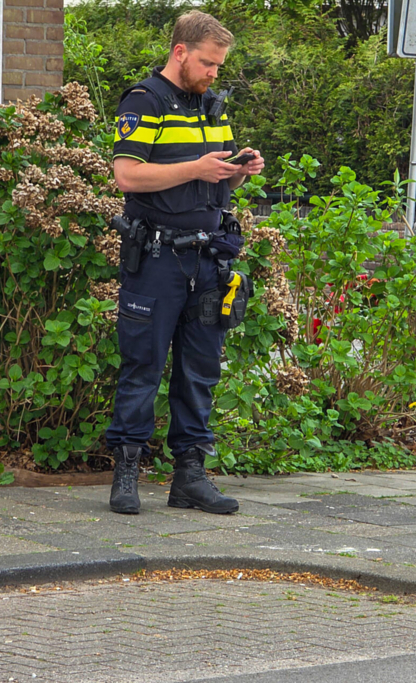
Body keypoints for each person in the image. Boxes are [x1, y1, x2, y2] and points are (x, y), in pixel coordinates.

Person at [105, 10, 264, 516]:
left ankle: (189, 478)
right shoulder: (144, 100)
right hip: (156, 257)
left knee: (200, 371)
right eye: (208, 63)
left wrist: (238, 171)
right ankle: (126, 474)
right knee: (143, 367)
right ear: (180, 52)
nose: (214, 73)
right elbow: (127, 177)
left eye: (219, 65)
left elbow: (213, 182)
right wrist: (196, 166)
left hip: (208, 256)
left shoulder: (212, 106)